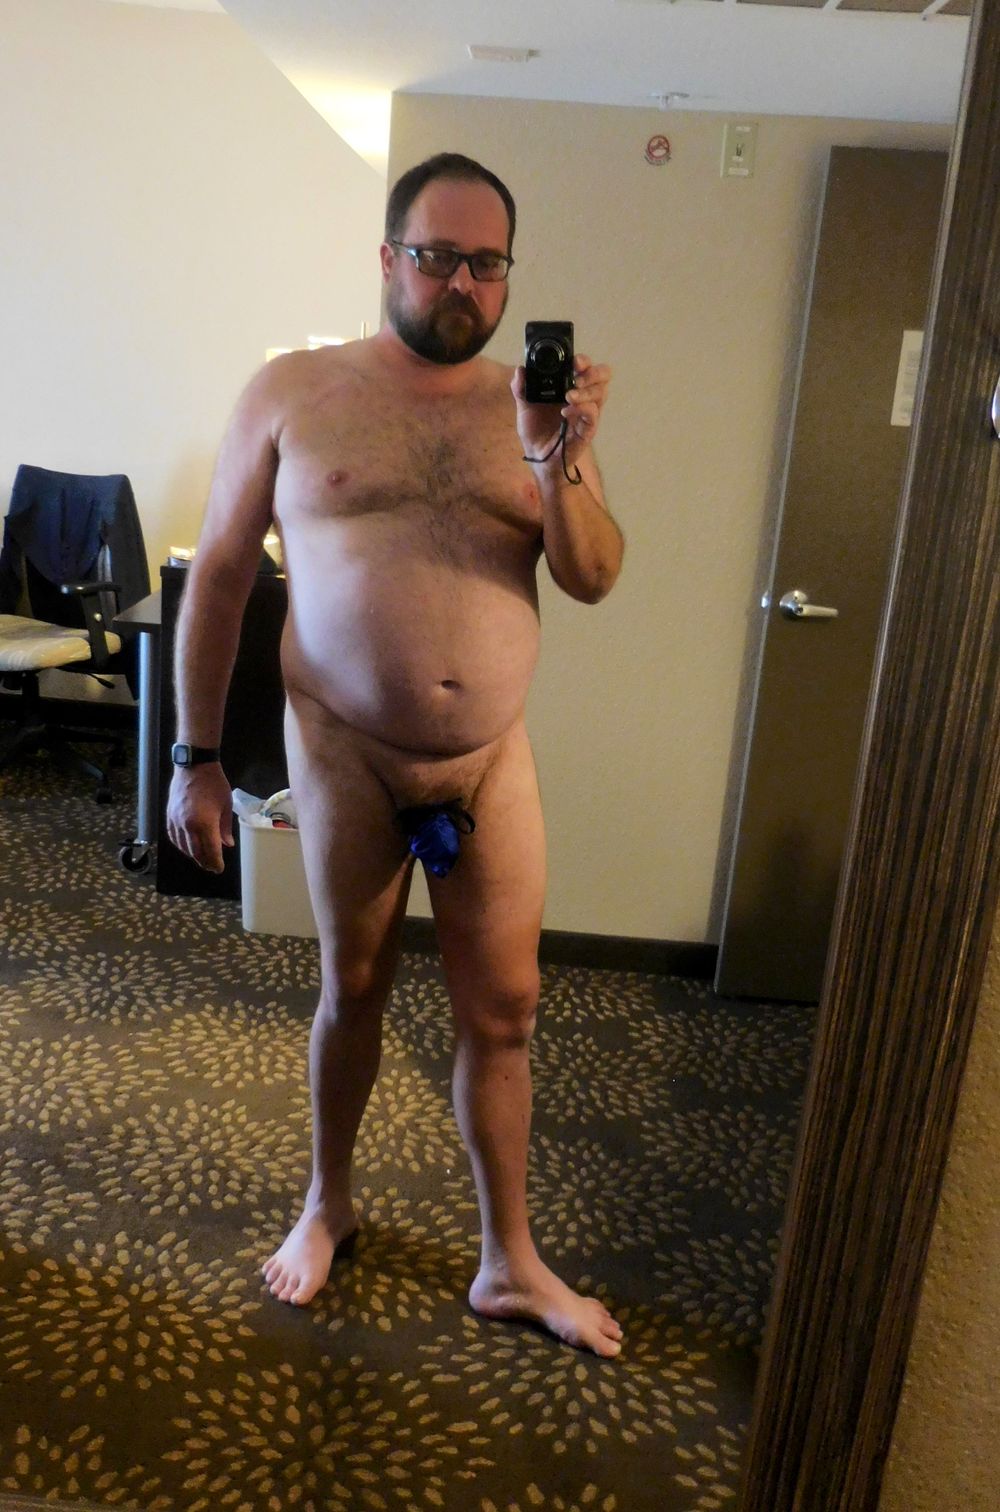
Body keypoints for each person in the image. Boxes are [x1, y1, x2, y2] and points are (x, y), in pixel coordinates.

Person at [166, 153, 625, 1357]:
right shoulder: (293, 390)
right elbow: (220, 578)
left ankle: (509, 1260)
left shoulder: (533, 417)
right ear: (387, 259)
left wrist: (558, 454)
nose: (462, 284)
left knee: (507, 1010)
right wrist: (194, 756)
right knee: (354, 987)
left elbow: (591, 575)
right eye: (436, 257)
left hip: (489, 757)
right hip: (345, 753)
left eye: (486, 263)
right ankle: (328, 1203)